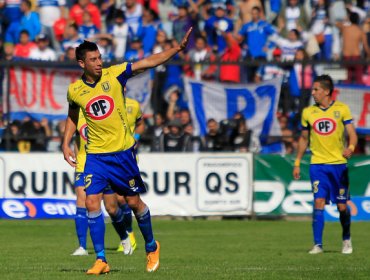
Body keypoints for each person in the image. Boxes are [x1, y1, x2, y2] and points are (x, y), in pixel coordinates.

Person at [62, 27, 192, 275]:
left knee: (134, 203)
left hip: (122, 155)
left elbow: (148, 62)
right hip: (95, 156)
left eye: (99, 57)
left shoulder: (115, 74)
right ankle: (101, 259)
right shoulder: (75, 91)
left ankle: (151, 245)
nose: (99, 63)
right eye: (93, 59)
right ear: (81, 63)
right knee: (92, 202)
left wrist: (176, 49)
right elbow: (72, 114)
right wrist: (65, 142)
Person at [293, 74, 358, 255]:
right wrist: (297, 162)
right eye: (313, 89)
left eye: (316, 89)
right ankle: (318, 245)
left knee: (342, 206)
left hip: (338, 165)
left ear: (326, 91)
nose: (313, 92)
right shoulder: (308, 112)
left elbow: (352, 134)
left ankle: (346, 239)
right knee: (319, 202)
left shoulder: (341, 109)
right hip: (318, 165)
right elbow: (304, 139)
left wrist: (351, 147)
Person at [71, 105, 139, 257]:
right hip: (84, 166)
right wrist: (77, 161)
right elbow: (76, 138)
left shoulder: (106, 113)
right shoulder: (79, 113)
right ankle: (82, 247)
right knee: (82, 200)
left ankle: (124, 237)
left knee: (111, 208)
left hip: (102, 165)